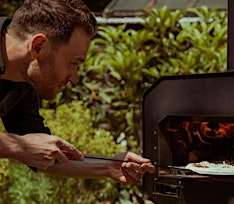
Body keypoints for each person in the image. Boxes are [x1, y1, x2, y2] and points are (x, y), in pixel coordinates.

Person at [0, 0, 155, 185]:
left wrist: (108, 166)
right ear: (38, 46)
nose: (73, 78)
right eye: (73, 63)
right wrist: (18, 146)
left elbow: (45, 156)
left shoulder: (23, 80)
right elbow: (26, 147)